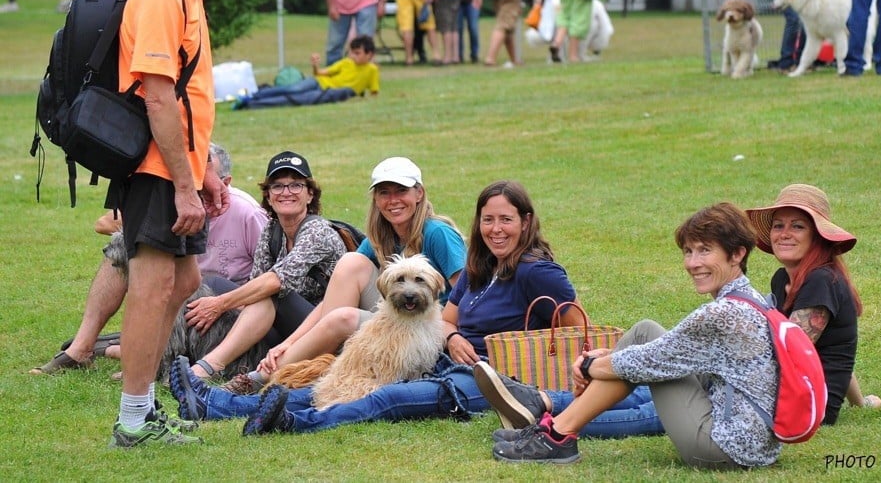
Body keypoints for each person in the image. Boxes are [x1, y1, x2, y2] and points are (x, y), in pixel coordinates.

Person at [168, 180, 642, 437]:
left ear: (526, 222)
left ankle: (296, 422)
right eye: (489, 220)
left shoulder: (536, 271)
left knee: (384, 400)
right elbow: (449, 320)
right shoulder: (480, 268)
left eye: (507, 220)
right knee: (336, 383)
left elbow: (579, 329)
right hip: (446, 360)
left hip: (490, 379)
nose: (496, 229)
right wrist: (453, 338)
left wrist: (576, 370)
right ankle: (216, 404)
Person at [483, 203, 782, 469]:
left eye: (705, 250)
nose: (692, 263)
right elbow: (669, 354)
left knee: (642, 346)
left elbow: (651, 360)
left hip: (726, 449)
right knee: (644, 332)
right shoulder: (749, 298)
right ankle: (558, 429)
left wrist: (590, 366)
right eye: (689, 251)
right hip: (755, 443)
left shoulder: (722, 314)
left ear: (737, 254)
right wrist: (609, 359)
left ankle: (558, 435)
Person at [105, 0, 235, 447]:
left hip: (177, 166)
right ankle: (134, 420)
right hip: (157, 170)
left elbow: (185, 94)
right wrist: (185, 184)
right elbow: (157, 95)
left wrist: (202, 169)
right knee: (154, 287)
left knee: (183, 278)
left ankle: (143, 405)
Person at [200, 156, 466, 395]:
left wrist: (452, 335)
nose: (393, 200)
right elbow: (331, 301)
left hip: (428, 325)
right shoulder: (379, 238)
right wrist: (290, 343)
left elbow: (468, 293)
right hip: (391, 321)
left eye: (402, 191)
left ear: (419, 193)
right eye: (384, 193)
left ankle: (256, 377)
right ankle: (211, 366)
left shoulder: (437, 233)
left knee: (337, 312)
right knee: (351, 265)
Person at [30, 144, 267, 375]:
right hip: (188, 309)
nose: (197, 188)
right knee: (127, 247)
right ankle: (83, 347)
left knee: (177, 283)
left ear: (223, 183)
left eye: (200, 180)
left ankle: (129, 354)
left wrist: (221, 304)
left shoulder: (246, 213)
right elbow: (102, 224)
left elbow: (272, 283)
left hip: (225, 312)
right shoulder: (177, 203)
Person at [183, 151, 346, 387]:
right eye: (277, 186)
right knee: (212, 284)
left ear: (310, 195)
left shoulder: (318, 232)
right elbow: (255, 286)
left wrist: (220, 304)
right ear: (268, 196)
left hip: (324, 330)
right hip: (285, 327)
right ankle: (180, 355)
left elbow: (273, 283)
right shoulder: (272, 230)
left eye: (296, 185)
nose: (286, 192)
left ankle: (208, 367)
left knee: (268, 294)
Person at [746, 184, 881, 425]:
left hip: (804, 407)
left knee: (683, 398)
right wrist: (860, 402)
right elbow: (834, 351)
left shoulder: (822, 281)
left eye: (797, 226)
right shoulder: (783, 279)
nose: (784, 233)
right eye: (779, 226)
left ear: (818, 236)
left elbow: (791, 353)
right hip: (790, 396)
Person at [231, 35, 379, 109]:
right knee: (292, 89)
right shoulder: (346, 62)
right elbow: (321, 73)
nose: (353, 56)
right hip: (318, 82)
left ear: (369, 54)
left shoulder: (372, 70)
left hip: (327, 92)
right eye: (352, 52)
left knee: (293, 98)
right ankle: (253, 95)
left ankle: (252, 103)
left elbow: (374, 92)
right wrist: (315, 66)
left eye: (357, 53)